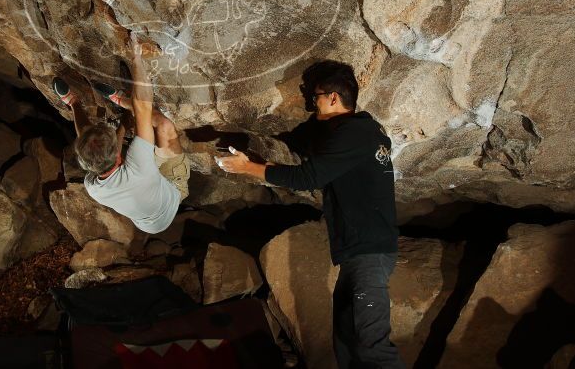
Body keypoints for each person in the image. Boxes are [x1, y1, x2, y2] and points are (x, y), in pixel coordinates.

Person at [216, 60, 404, 369]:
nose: (309, 102)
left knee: (373, 347)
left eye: (315, 95)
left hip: (369, 252)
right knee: (345, 340)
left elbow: (307, 177)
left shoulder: (356, 133)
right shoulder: (360, 130)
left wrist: (249, 168)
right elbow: (305, 148)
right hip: (361, 251)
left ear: (333, 97)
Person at [53, 32, 190, 234]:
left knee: (92, 146)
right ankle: (122, 101)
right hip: (171, 191)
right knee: (165, 126)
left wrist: (124, 127)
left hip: (145, 219)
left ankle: (74, 103)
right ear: (119, 154)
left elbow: (98, 152)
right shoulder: (138, 165)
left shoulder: (93, 187)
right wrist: (136, 58)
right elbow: (143, 107)